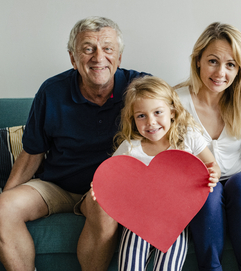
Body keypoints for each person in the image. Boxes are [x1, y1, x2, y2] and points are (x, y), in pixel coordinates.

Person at [0, 16, 148, 271]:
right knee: (2, 208)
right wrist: (8, 194)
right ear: (73, 58)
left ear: (119, 57)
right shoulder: (51, 91)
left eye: (107, 48)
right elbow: (32, 152)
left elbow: (172, 128)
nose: (98, 57)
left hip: (104, 190)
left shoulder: (140, 88)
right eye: (88, 48)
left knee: (105, 204)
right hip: (56, 185)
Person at [98, 75, 220, 271]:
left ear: (172, 112)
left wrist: (213, 174)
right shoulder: (130, 147)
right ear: (133, 119)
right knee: (130, 263)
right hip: (138, 220)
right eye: (141, 116)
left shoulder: (188, 137)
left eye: (157, 112)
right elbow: (109, 177)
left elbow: (211, 165)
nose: (151, 122)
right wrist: (100, 189)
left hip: (175, 221)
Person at [175, 22, 241, 271]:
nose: (220, 73)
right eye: (213, 61)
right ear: (198, 60)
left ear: (239, 69)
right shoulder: (176, 101)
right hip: (200, 182)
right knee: (208, 191)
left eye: (231, 65)